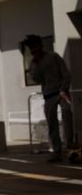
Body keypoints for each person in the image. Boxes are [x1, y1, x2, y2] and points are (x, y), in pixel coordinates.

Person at [25, 34, 74, 162]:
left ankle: (70, 146)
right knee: (52, 124)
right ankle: (57, 152)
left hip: (62, 92)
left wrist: (64, 88)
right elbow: (37, 79)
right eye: (32, 50)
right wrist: (36, 65)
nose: (35, 52)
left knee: (67, 115)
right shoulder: (34, 63)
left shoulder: (53, 56)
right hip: (48, 95)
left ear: (41, 46)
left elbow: (66, 74)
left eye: (36, 48)